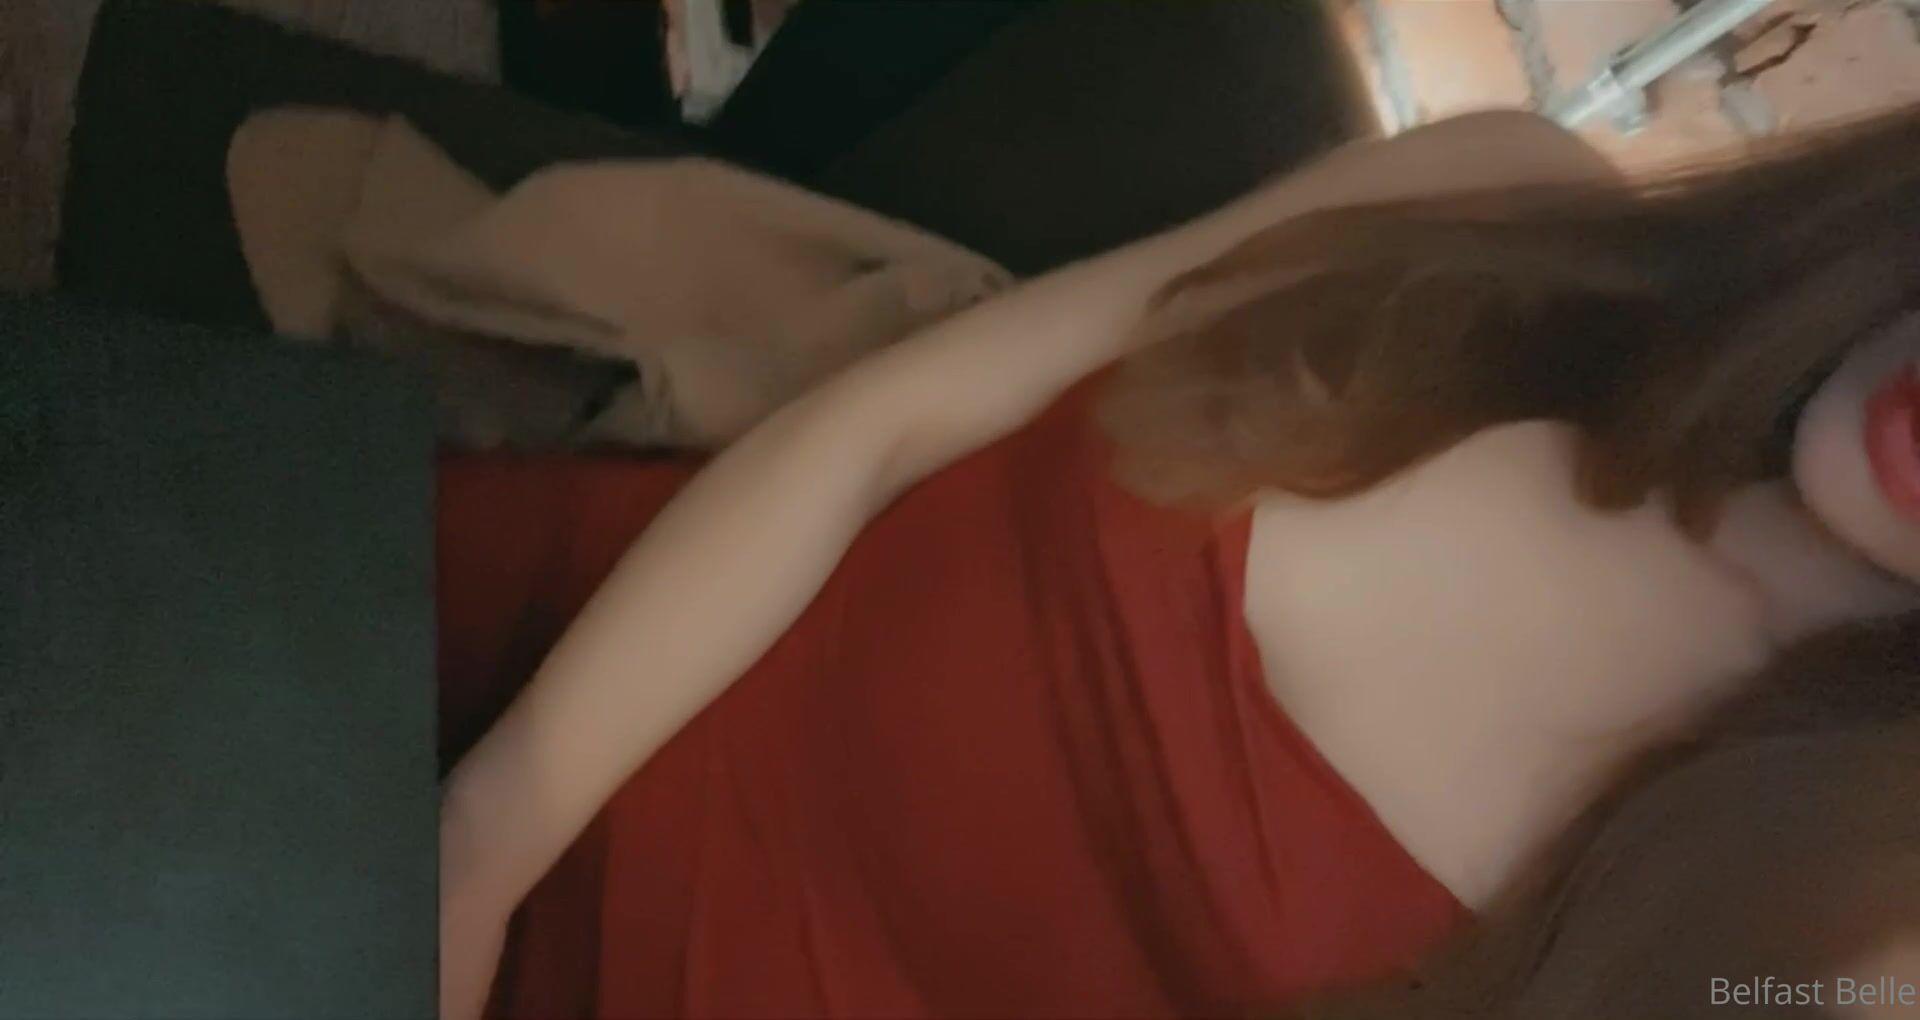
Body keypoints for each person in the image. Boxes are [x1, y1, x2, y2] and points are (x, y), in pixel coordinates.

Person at [434, 107, 1920, 1019]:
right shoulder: (1515, 206)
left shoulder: (1830, 943)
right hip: (559, 672)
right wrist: (488, 842)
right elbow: (897, 425)